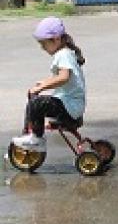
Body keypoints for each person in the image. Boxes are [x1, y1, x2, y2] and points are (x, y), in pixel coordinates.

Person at [13, 17, 86, 152]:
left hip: (69, 108)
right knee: (35, 100)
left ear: (56, 39)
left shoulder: (63, 54)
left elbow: (64, 77)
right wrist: (45, 82)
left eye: (44, 44)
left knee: (36, 104)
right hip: (71, 106)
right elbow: (63, 79)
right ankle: (29, 136)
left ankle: (36, 138)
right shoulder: (66, 53)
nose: (42, 48)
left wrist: (42, 87)